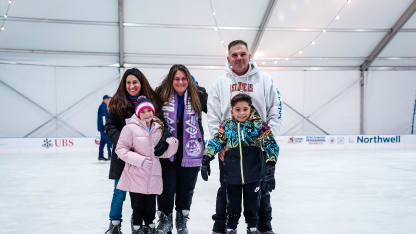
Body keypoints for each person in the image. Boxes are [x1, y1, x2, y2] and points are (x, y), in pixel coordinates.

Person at [207, 40, 283, 234]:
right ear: (228, 58)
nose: (239, 58)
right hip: (230, 147)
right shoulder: (220, 82)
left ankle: (263, 226)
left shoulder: (264, 80)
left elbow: (275, 108)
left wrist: (269, 139)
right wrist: (220, 144)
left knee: (261, 188)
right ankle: (221, 226)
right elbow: (213, 115)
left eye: (242, 54)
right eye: (234, 55)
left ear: (249, 56)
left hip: (257, 146)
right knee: (226, 189)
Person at [201, 94, 279, 234]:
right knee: (233, 205)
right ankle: (231, 227)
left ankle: (252, 227)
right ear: (232, 111)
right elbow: (216, 141)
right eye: (238, 109)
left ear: (250, 109)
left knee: (253, 204)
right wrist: (206, 158)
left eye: (245, 109)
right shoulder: (227, 126)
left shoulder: (258, 125)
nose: (242, 113)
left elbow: (270, 144)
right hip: (232, 177)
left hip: (253, 176)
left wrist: (270, 167)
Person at [104, 68, 164, 234]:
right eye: (128, 82)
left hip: (145, 159)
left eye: (135, 82)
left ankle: (140, 223)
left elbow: (161, 124)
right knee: (119, 193)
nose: (131, 86)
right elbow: (109, 127)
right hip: (123, 157)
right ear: (124, 84)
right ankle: (114, 224)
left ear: (141, 82)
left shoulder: (151, 102)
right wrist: (123, 140)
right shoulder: (117, 102)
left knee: (143, 194)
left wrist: (164, 142)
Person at [154, 64, 207, 234]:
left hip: (191, 148)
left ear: (188, 79)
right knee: (166, 187)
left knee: (186, 187)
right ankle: (165, 219)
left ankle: (182, 220)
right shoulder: (160, 94)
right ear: (171, 80)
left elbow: (215, 113)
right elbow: (151, 116)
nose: (180, 82)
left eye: (184, 78)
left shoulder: (198, 94)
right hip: (167, 148)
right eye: (176, 78)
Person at [115, 96, 179, 234]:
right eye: (143, 111)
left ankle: (150, 227)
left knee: (151, 207)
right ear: (138, 113)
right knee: (138, 206)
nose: (147, 114)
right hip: (137, 175)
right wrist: (140, 160)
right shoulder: (130, 128)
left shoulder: (158, 127)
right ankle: (137, 228)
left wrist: (172, 144)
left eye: (149, 110)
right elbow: (120, 149)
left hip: (153, 174)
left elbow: (163, 154)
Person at [98, 94, 112, 161]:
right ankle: (110, 156)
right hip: (103, 128)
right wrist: (105, 128)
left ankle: (100, 156)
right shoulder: (104, 106)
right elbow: (104, 117)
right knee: (109, 142)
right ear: (105, 100)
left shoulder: (103, 105)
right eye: (108, 99)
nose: (109, 100)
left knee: (102, 142)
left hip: (101, 127)